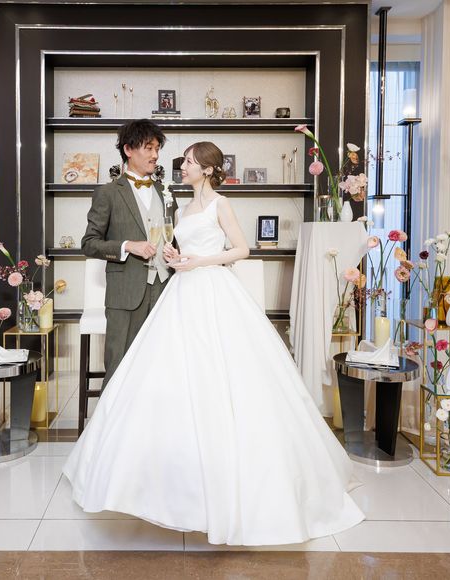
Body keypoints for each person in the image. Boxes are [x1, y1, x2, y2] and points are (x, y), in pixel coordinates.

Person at [64, 141, 364, 546]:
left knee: (224, 376)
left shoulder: (220, 203)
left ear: (206, 169)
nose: (182, 165)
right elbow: (182, 249)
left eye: (188, 161)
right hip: (181, 290)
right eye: (184, 160)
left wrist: (199, 262)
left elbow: (241, 249)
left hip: (213, 290)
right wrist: (175, 256)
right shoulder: (181, 207)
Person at [81, 119, 175, 385]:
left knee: (161, 365)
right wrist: (127, 246)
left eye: (157, 148)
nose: (155, 155)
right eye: (149, 148)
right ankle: (112, 413)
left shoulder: (165, 192)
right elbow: (89, 243)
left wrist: (175, 253)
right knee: (120, 366)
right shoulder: (108, 193)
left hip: (165, 288)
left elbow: (173, 237)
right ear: (128, 150)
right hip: (125, 293)